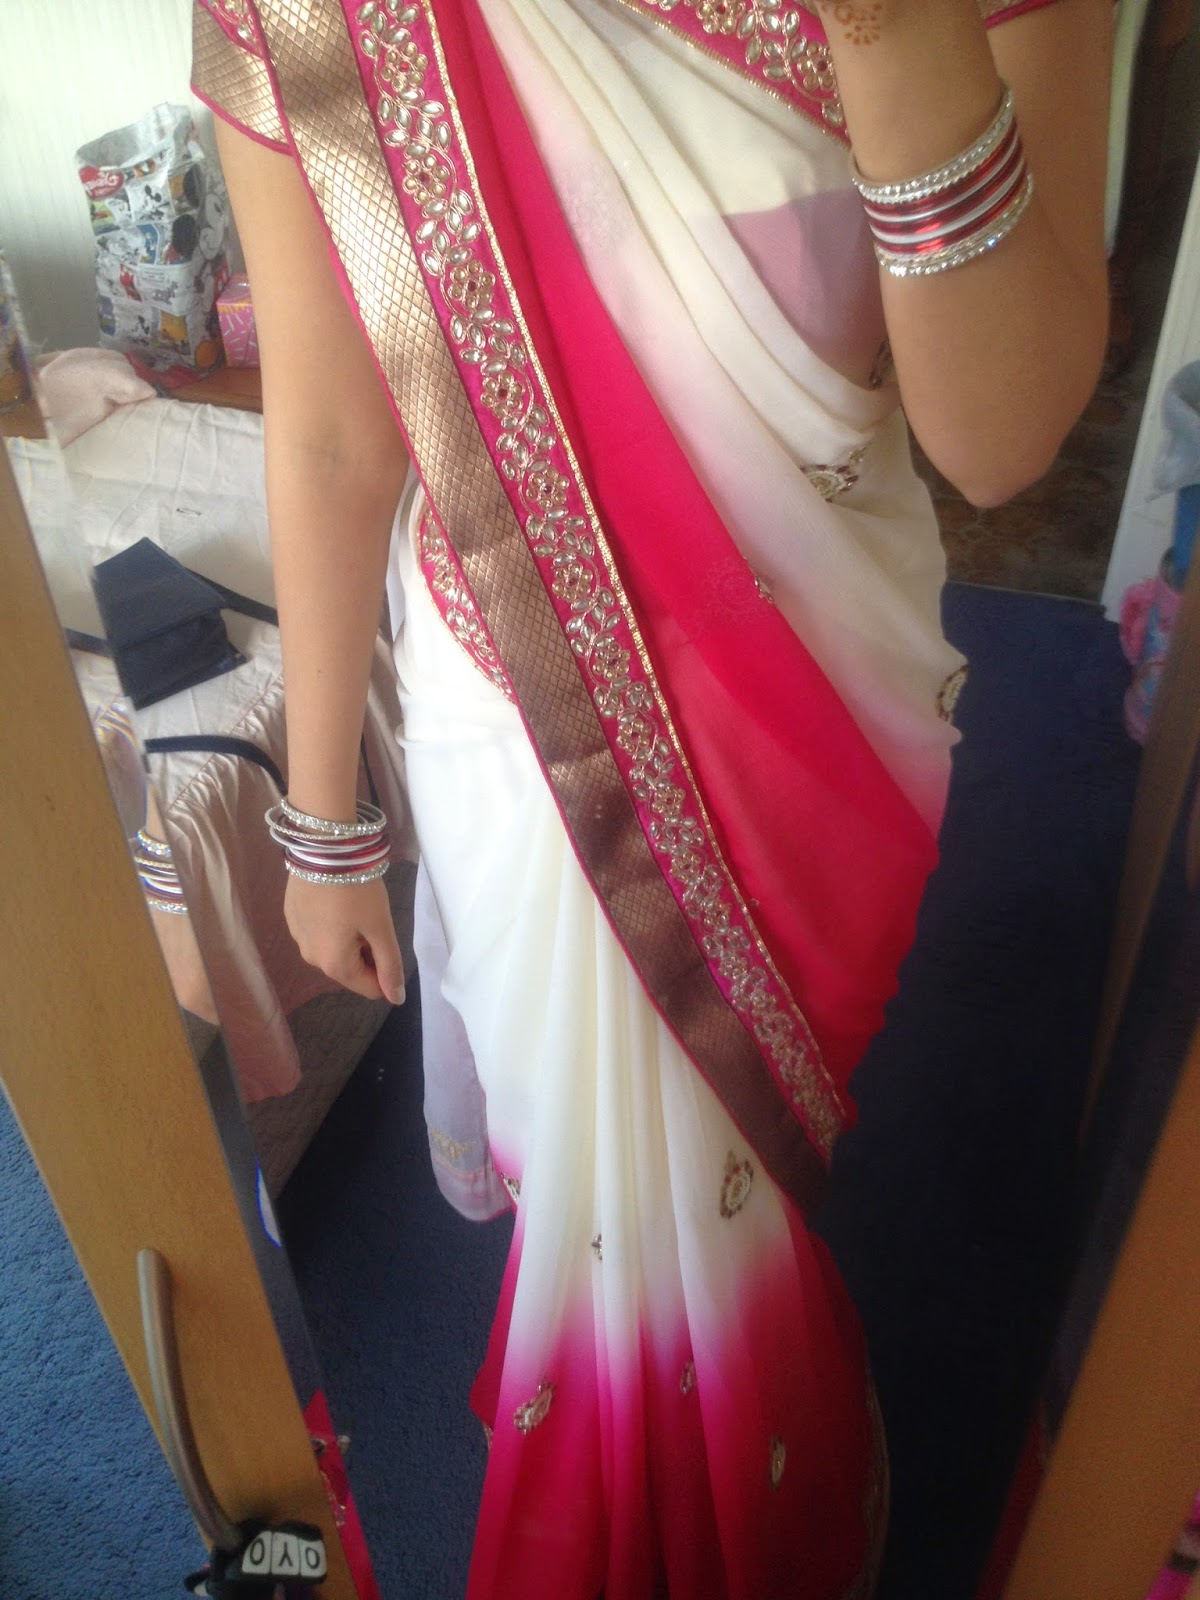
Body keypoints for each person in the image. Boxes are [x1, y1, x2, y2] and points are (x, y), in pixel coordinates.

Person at [193, 0, 1111, 1593]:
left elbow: (1001, 440)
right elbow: (335, 431)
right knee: (603, 1211)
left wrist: (895, 32)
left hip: (819, 705)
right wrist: (322, 820)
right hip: (525, 723)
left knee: (747, 1170)